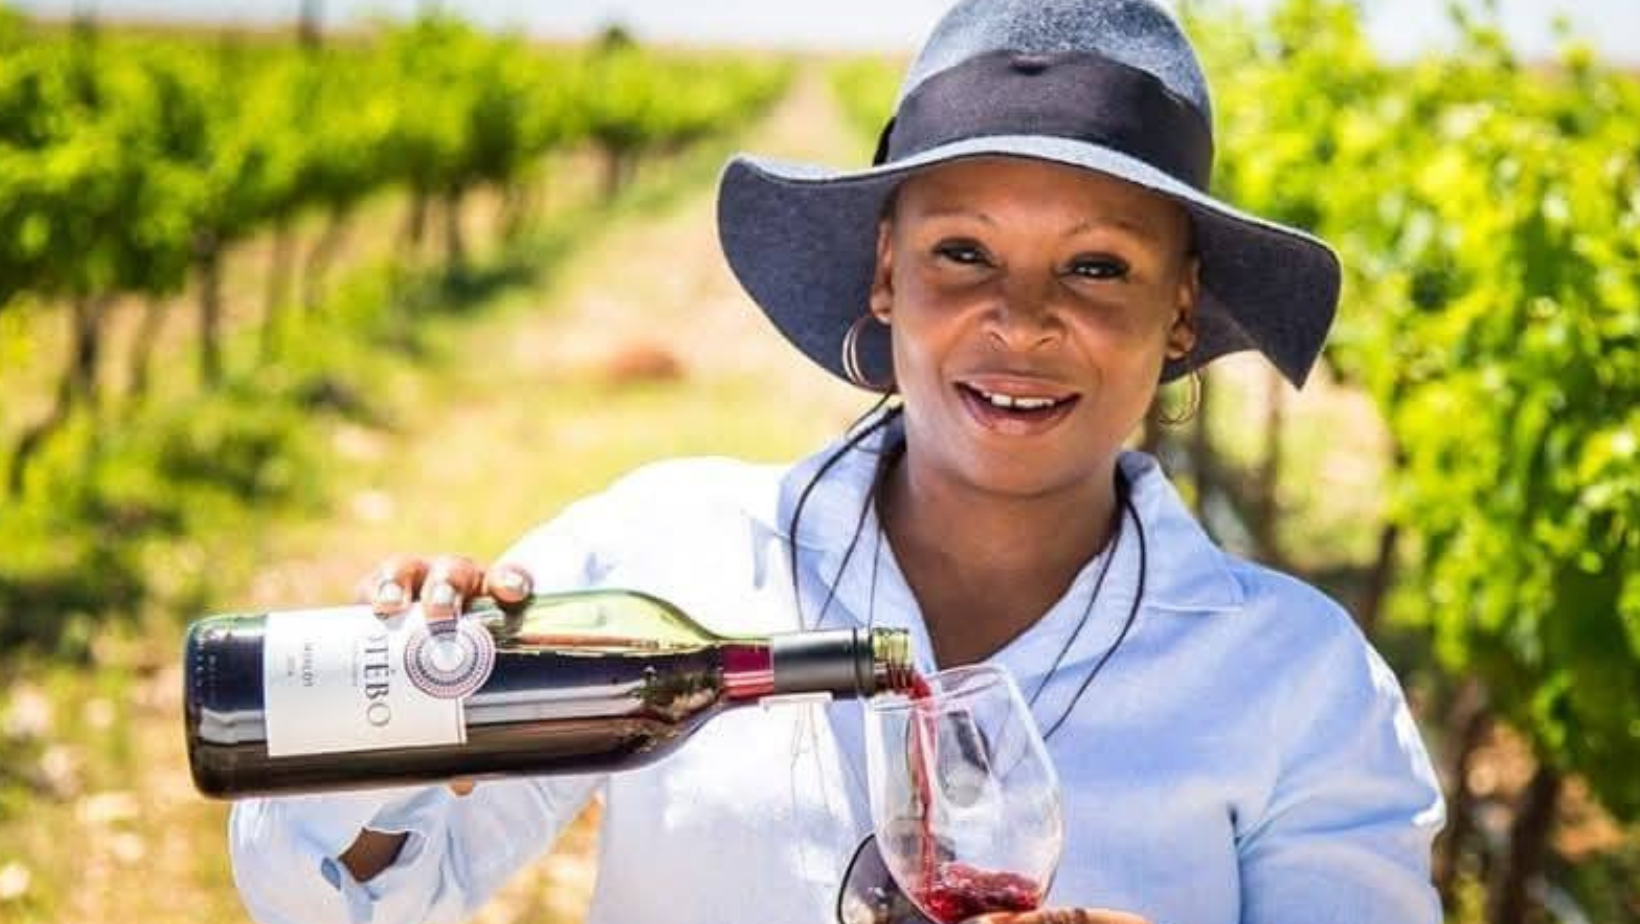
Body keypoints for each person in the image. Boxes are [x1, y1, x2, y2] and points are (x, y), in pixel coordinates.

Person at [227, 0, 1446, 922]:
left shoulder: (1295, 681)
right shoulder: (665, 558)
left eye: (1095, 267)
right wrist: (388, 710)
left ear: (1178, 312)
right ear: (885, 274)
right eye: (962, 252)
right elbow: (343, 897)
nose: (1021, 321)